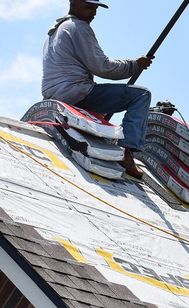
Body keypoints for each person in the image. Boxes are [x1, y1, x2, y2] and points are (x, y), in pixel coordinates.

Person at [41, 0, 153, 179]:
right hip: (76, 93)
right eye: (88, 7)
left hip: (53, 96)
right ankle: (127, 153)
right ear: (74, 3)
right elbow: (103, 68)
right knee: (140, 95)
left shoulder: (55, 31)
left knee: (102, 113)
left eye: (95, 8)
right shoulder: (79, 27)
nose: (93, 12)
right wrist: (135, 65)